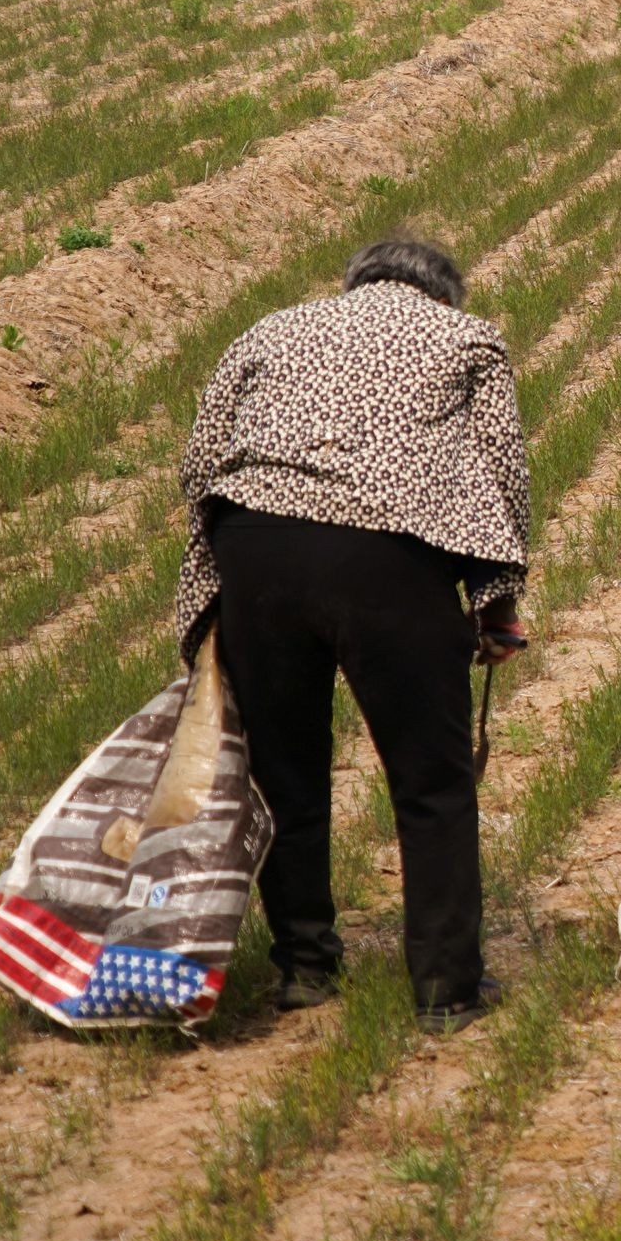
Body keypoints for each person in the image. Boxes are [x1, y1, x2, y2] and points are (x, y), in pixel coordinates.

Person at [177, 237, 529, 1032]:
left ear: (354, 284)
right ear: (444, 295)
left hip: (258, 544)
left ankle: (305, 966)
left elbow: (201, 460)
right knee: (431, 782)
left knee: (285, 773)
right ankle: (446, 989)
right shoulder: (467, 338)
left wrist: (218, 572)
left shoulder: (270, 328)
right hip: (389, 554)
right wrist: (497, 602)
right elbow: (500, 468)